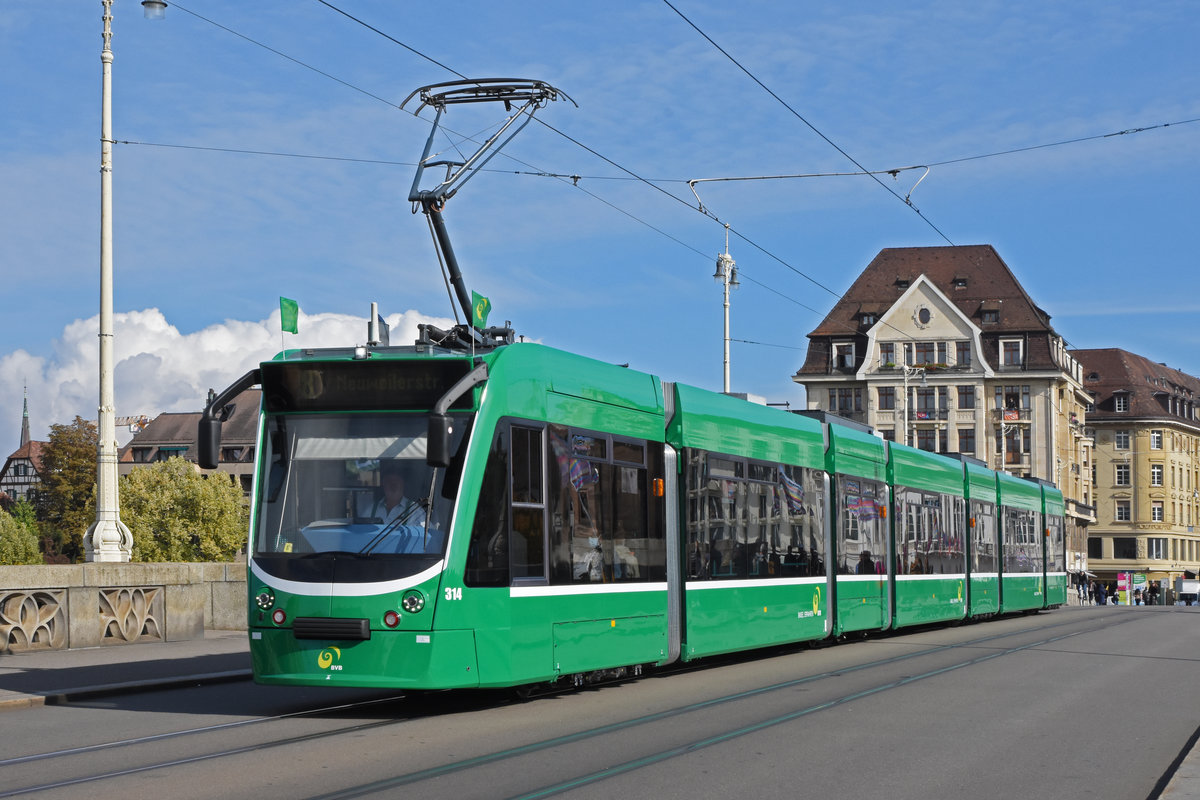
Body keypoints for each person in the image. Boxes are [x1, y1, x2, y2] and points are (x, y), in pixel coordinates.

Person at [362, 461, 426, 526]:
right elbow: (360, 532)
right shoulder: (372, 509)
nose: (393, 485)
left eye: (397, 481)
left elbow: (428, 534)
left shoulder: (414, 510)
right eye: (389, 481)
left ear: (403, 484)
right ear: (383, 484)